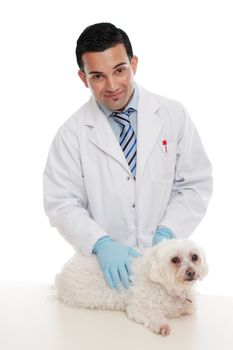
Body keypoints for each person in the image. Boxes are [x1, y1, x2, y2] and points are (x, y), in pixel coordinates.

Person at [43, 22, 213, 291]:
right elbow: (62, 204)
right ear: (82, 77)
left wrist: (168, 231)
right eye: (97, 76)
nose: (112, 86)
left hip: (167, 272)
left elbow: (195, 184)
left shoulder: (173, 115)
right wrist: (101, 244)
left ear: (133, 64)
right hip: (105, 277)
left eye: (120, 70)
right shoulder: (71, 134)